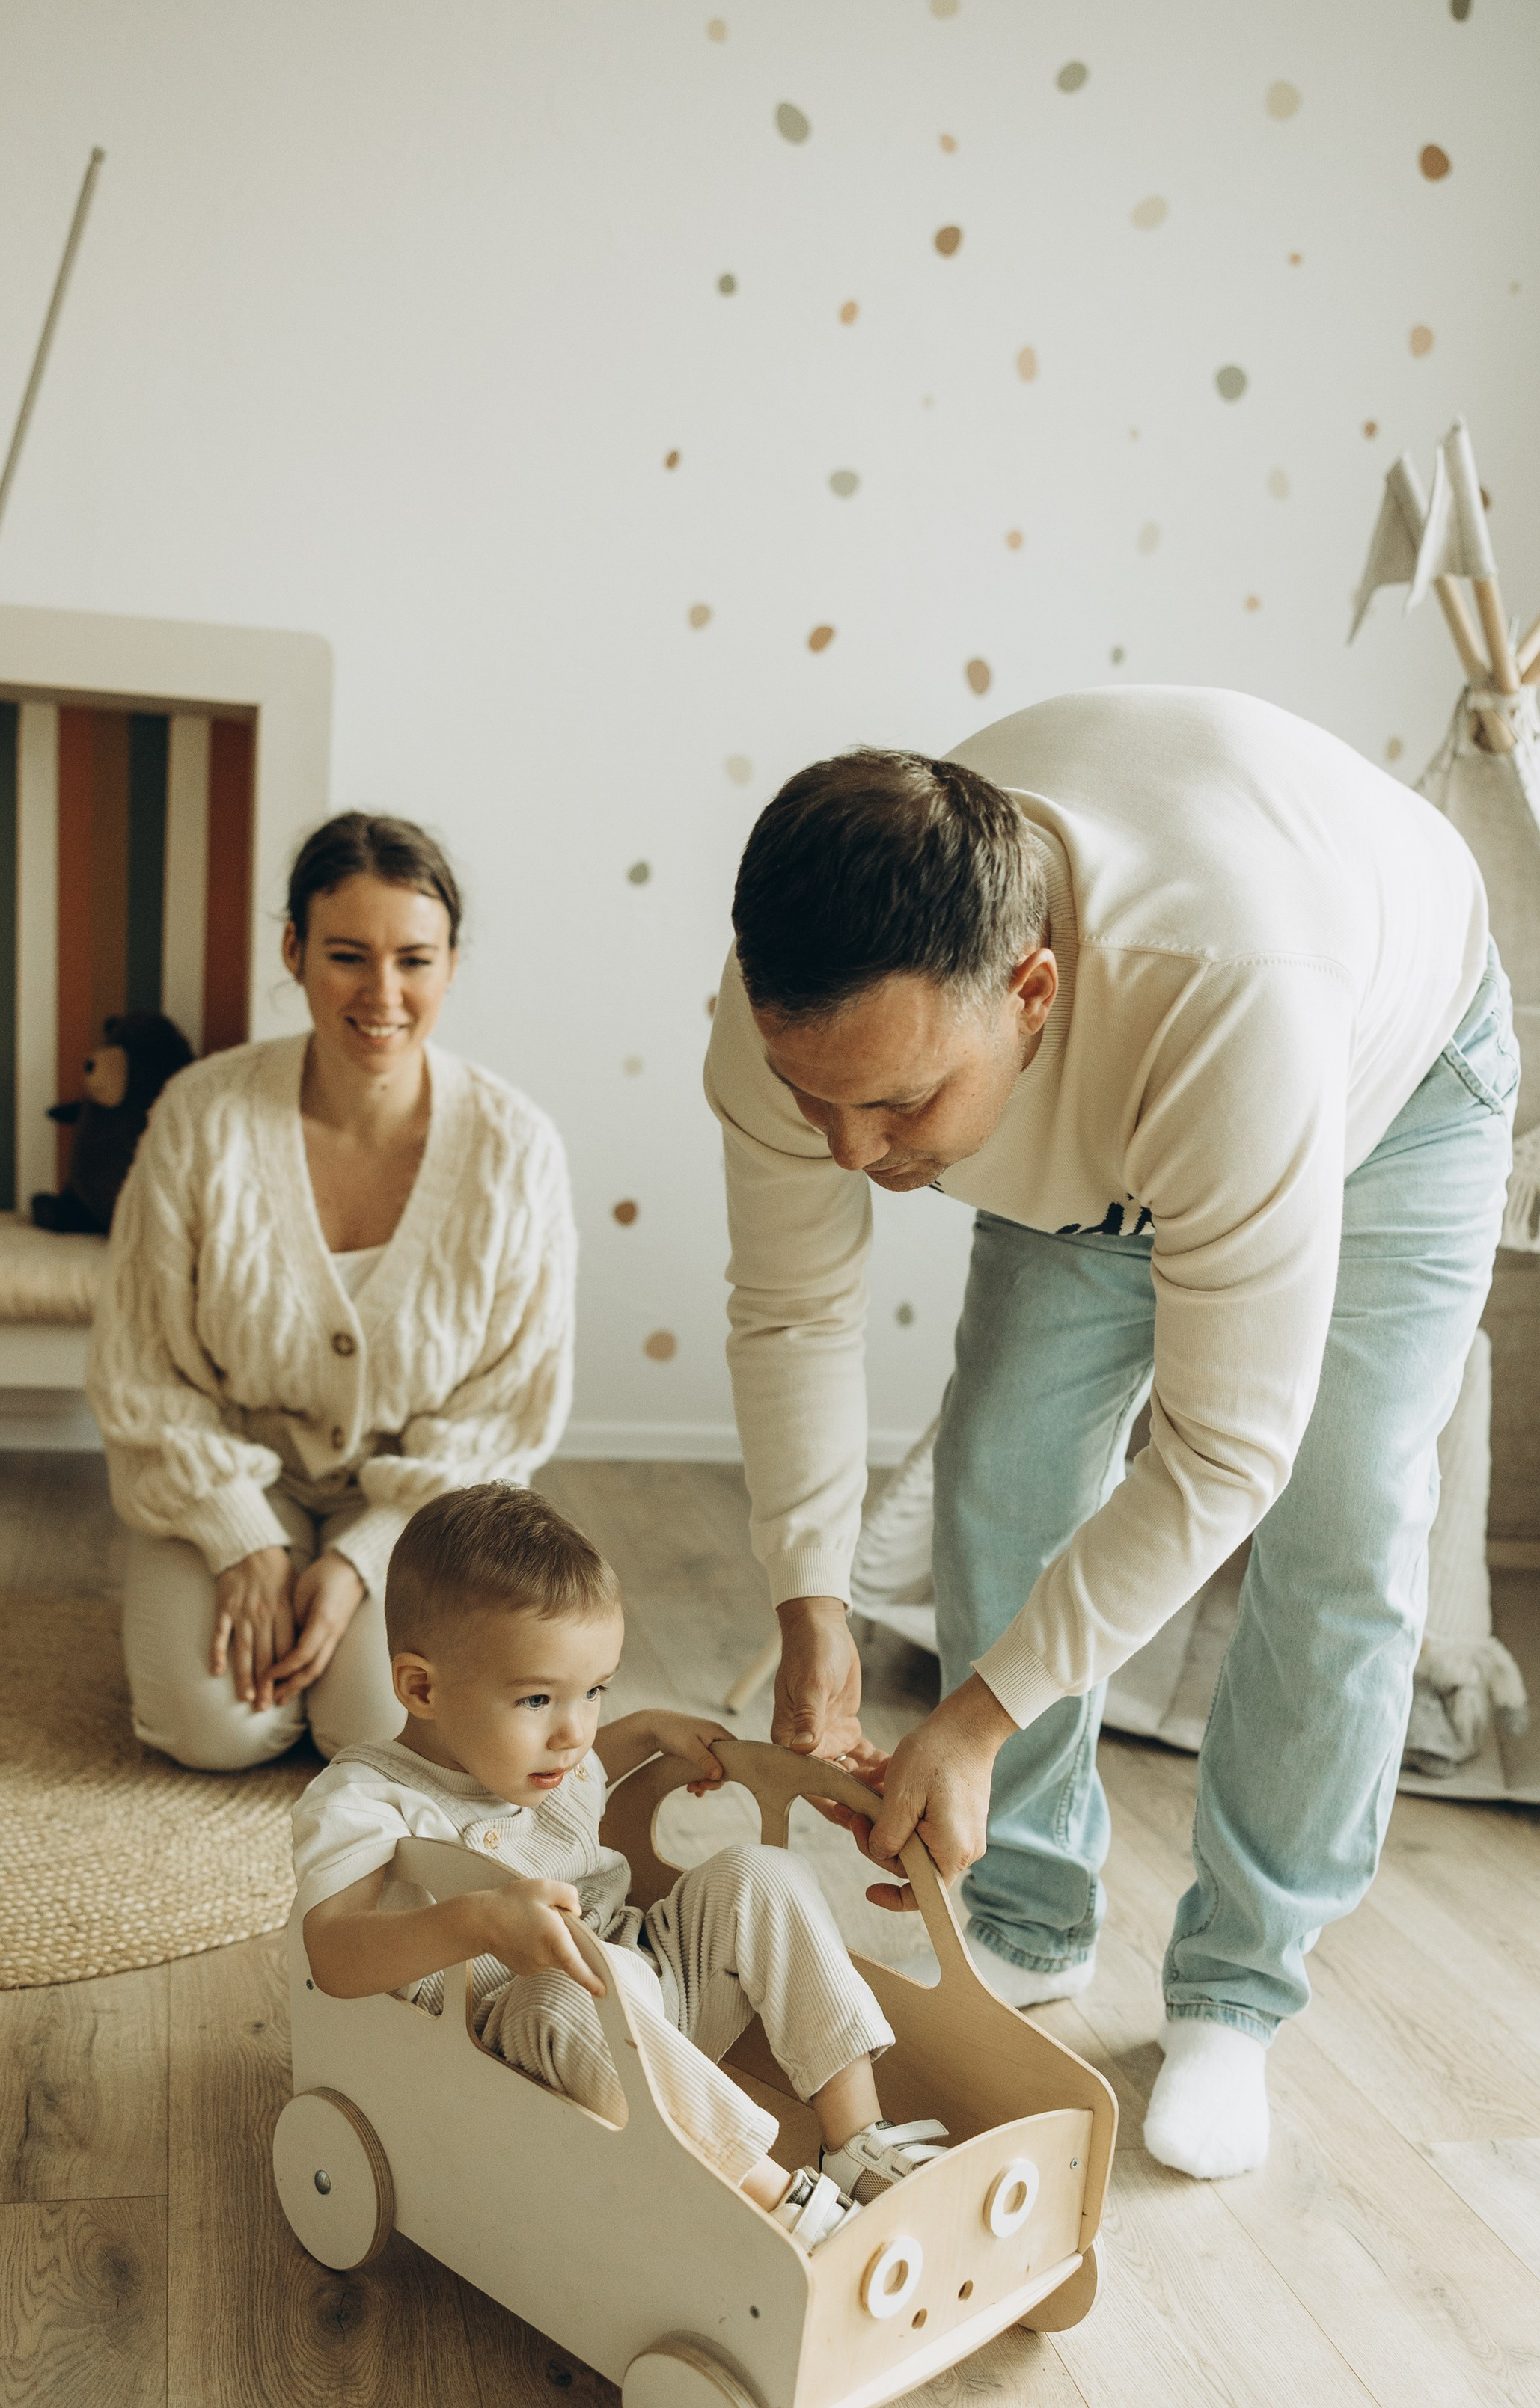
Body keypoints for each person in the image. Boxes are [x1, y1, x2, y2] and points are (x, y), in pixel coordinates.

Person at [706, 687, 1515, 2181]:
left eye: (896, 1107)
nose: (851, 1157)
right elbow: (792, 1318)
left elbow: (1221, 1455)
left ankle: (1236, 1988)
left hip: (1385, 1083)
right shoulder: (804, 1013)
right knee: (999, 1466)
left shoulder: (1227, 999)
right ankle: (1021, 1912)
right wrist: (809, 1612)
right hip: (1104, 1100)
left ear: (1027, 992)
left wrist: (971, 1717)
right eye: (806, 1101)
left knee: (1338, 1525)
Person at [291, 1483, 950, 2249]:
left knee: (763, 1873)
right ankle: (779, 2203)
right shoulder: (363, 1799)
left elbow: (575, 1769)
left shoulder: (545, 1756)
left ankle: (855, 2139)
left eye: (596, 1691)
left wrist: (644, 1728)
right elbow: (332, 1953)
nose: (574, 1733)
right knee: (563, 1999)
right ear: (421, 1688)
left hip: (649, 1981)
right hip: (522, 2043)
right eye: (538, 1699)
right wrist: (474, 1921)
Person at [88, 812, 576, 1771]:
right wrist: (244, 1541)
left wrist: (363, 1558)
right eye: (348, 956)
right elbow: (140, 1368)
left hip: (424, 1503)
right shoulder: (200, 1117)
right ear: (294, 951)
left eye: (415, 961)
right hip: (228, 1474)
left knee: (377, 1727)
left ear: (450, 964)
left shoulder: (517, 1149)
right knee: (216, 1728)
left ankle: (333, 1616)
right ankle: (205, 1585)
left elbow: (509, 1407)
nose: (383, 995)